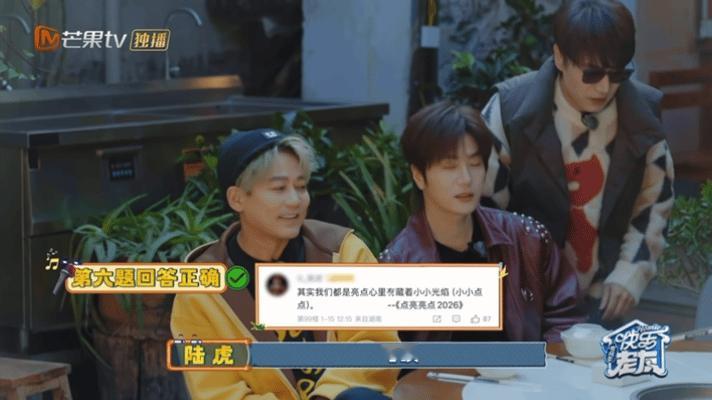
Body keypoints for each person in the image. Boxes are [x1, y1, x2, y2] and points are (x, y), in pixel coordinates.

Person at [481, 0, 674, 326]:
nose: (604, 87)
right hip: (524, 301)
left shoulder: (643, 113)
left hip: (606, 302)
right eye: (592, 73)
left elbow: (654, 203)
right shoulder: (509, 110)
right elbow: (485, 212)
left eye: (618, 74)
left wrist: (631, 273)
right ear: (559, 57)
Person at [171, 129, 397, 400]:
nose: (295, 201)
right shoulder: (201, 290)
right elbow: (219, 392)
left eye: (301, 186)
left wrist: (326, 396)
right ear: (237, 198)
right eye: (279, 188)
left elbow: (375, 344)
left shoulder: (342, 252)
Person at [380, 101, 585, 343]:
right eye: (450, 166)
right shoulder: (397, 266)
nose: (466, 178)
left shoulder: (527, 238)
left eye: (475, 164)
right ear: (419, 176)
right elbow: (387, 356)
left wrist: (541, 361)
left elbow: (567, 320)